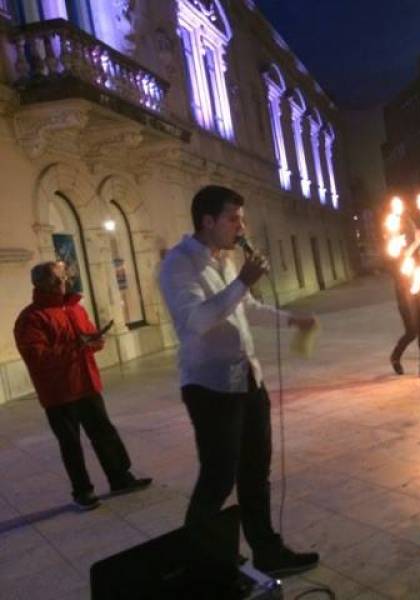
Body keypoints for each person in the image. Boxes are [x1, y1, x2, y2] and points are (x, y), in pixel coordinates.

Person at [158, 185, 319, 577]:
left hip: (247, 378)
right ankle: (202, 561)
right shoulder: (179, 265)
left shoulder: (224, 260)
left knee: (255, 473)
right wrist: (243, 280)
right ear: (208, 221)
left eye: (241, 218)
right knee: (217, 479)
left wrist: (290, 320)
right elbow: (198, 321)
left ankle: (267, 551)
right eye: (234, 218)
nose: (241, 226)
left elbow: (245, 308)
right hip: (210, 388)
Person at [14, 261, 152, 511]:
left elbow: (89, 338)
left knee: (104, 433)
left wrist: (95, 340)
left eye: (64, 277)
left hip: (87, 383)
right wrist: (76, 346)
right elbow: (36, 356)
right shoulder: (31, 318)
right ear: (40, 284)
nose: (63, 282)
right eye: (57, 280)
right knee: (71, 443)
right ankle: (82, 490)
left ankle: (120, 477)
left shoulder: (75, 308)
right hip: (58, 393)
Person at [389, 264, 420, 378]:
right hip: (405, 286)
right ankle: (395, 356)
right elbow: (392, 263)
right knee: (412, 330)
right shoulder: (402, 246)